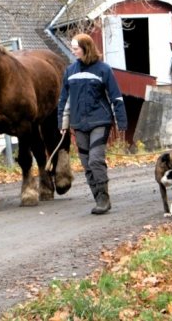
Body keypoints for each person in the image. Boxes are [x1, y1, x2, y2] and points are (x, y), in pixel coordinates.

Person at [57, 33, 128, 215]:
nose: (73, 52)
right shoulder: (70, 71)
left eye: (76, 48)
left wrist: (121, 121)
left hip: (100, 121)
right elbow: (64, 100)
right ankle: (98, 197)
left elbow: (116, 97)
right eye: (72, 48)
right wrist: (63, 123)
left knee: (96, 159)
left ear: (86, 48)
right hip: (78, 123)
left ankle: (104, 198)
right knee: (86, 163)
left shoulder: (104, 70)